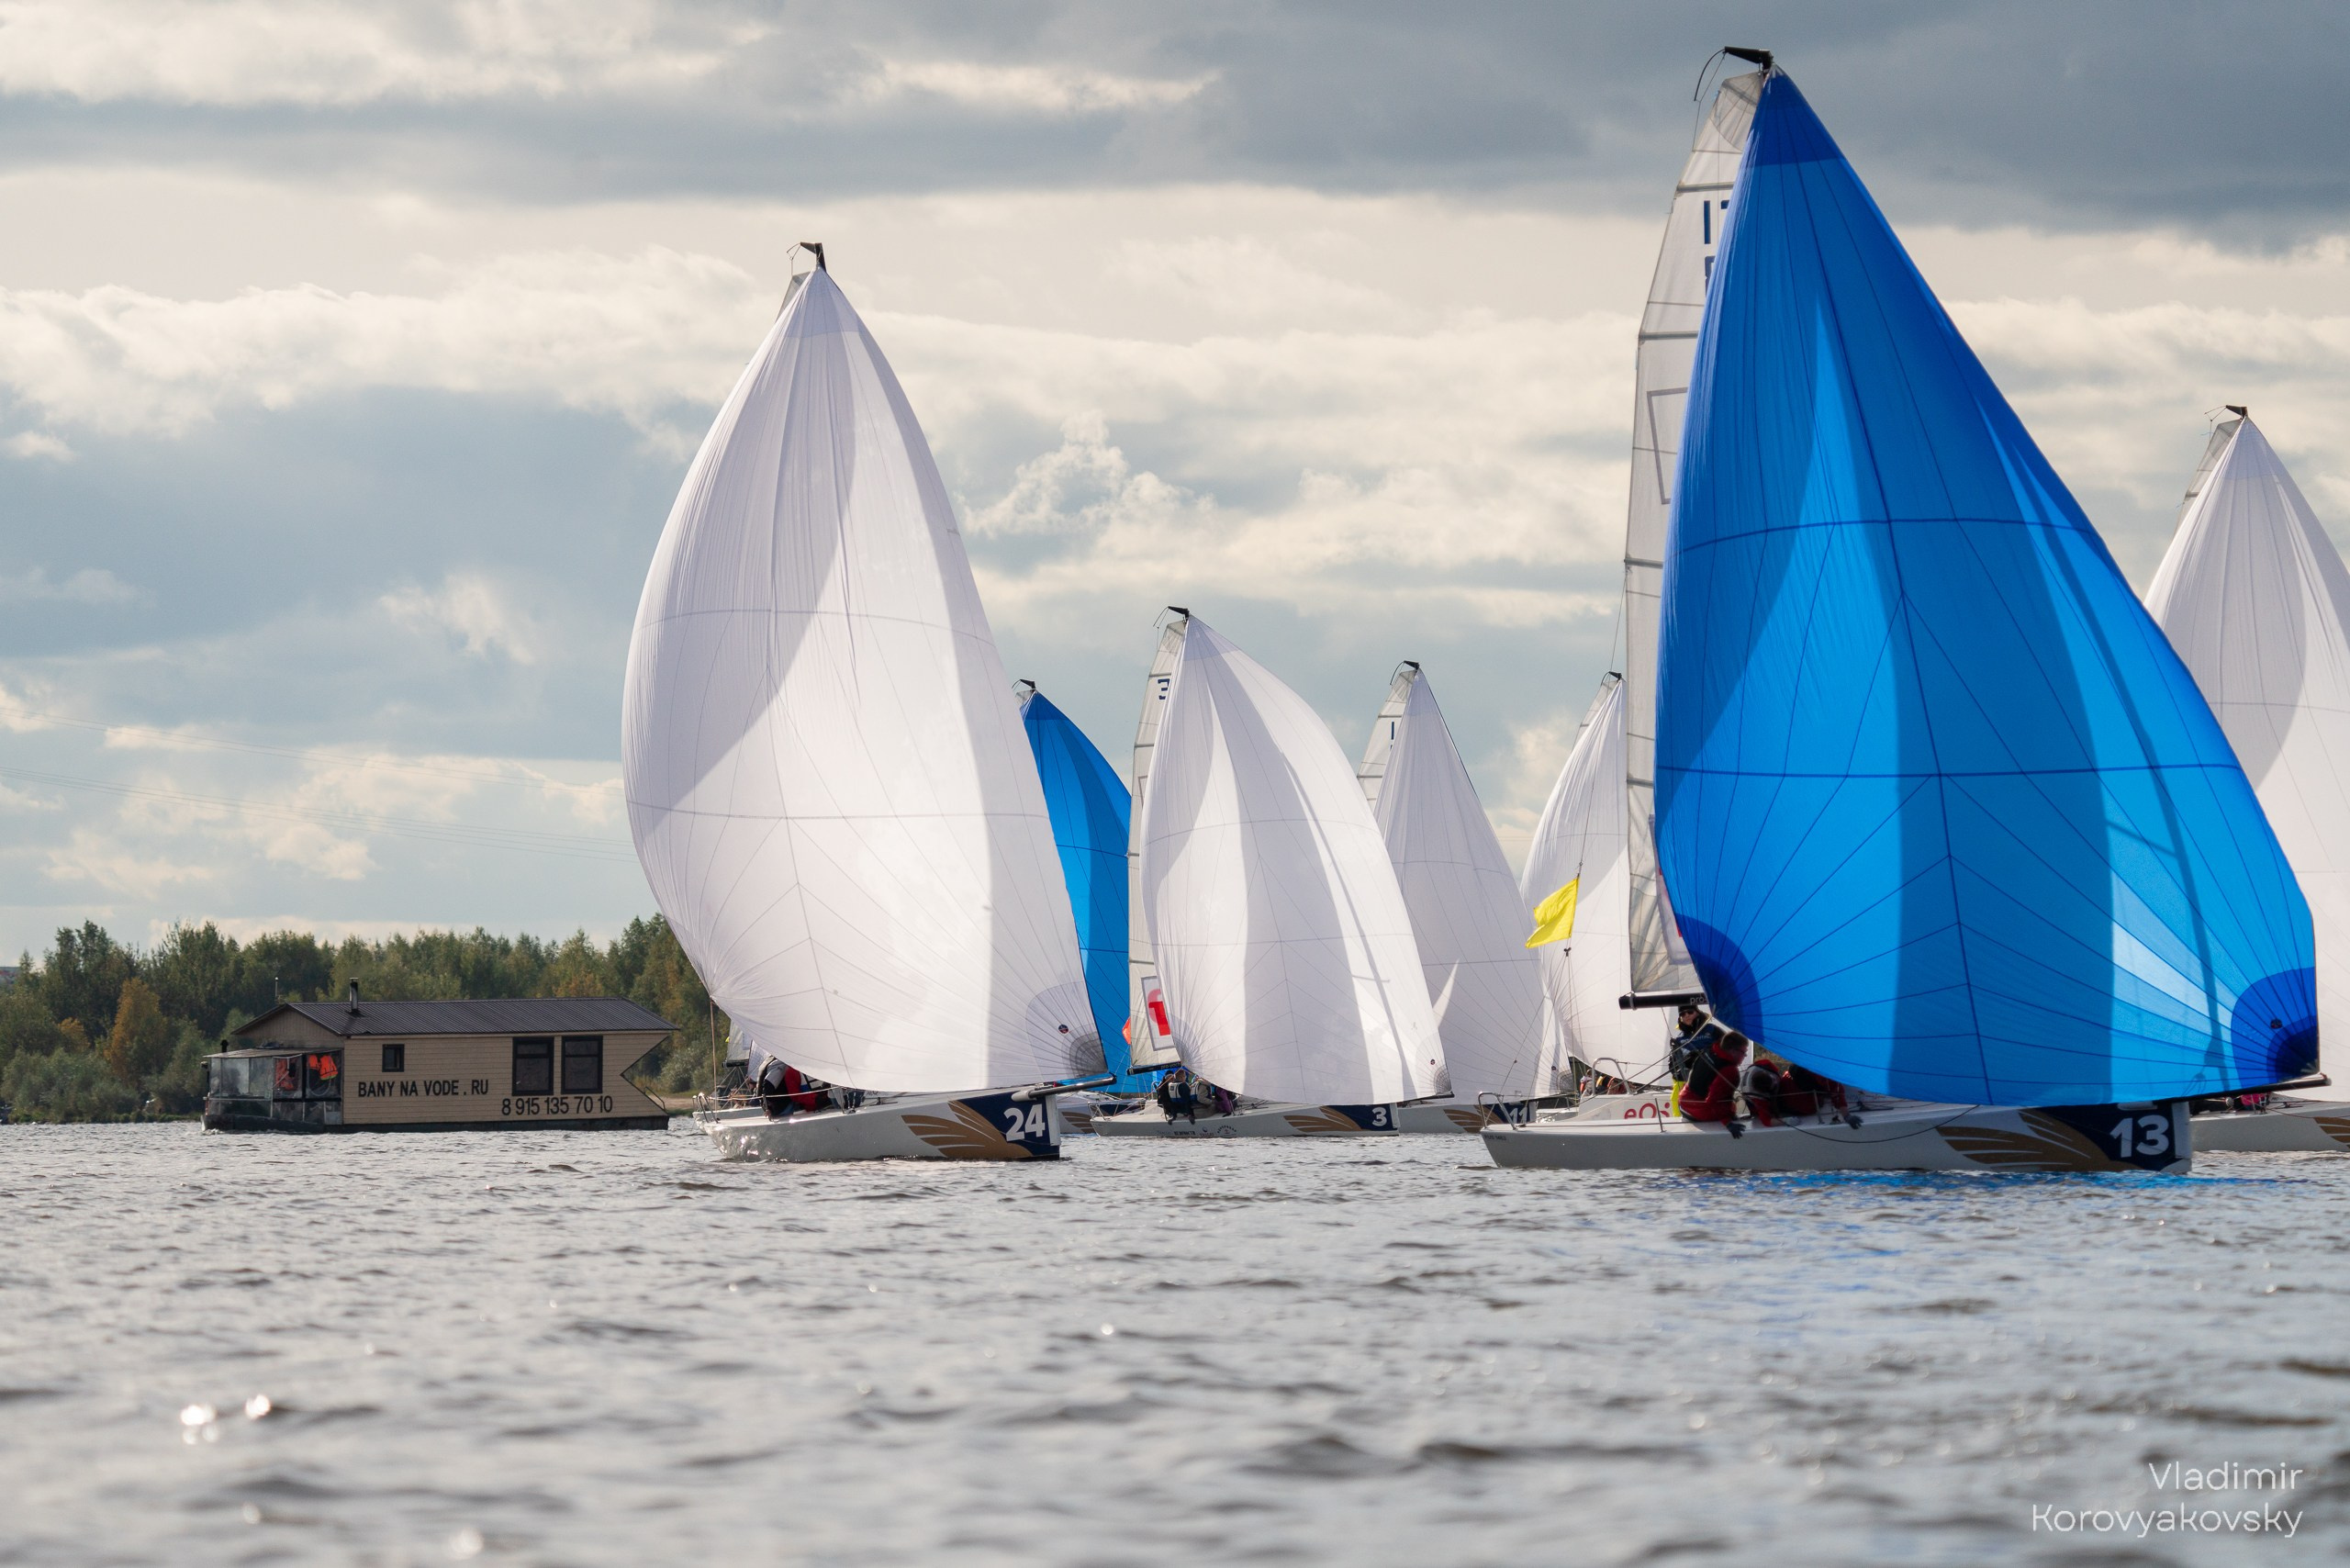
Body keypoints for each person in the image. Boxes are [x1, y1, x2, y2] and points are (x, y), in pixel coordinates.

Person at [1670, 1004, 1747, 1133]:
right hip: (1687, 1080)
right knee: (1676, 1093)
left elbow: (1728, 1047)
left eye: (1690, 1012)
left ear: (1698, 1012)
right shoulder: (1680, 1038)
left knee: (1718, 1092)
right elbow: (1672, 1063)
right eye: (1682, 1014)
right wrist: (1680, 1069)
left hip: (1712, 1076)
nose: (1686, 1015)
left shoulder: (1712, 1030)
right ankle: (1680, 1125)